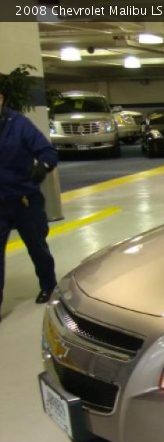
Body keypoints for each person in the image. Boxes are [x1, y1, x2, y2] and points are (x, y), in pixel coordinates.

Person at [0, 74, 58, 321]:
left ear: (1, 99)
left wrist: (41, 166)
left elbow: (47, 152)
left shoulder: (19, 124)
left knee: (37, 246)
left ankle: (48, 285)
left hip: (24, 198)